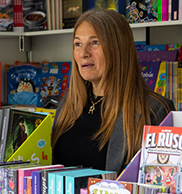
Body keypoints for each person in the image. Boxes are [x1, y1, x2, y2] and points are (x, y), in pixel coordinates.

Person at [52, 9, 174, 172]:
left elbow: (159, 179)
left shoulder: (154, 109)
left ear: (118, 48)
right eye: (78, 44)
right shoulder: (68, 101)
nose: (83, 53)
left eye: (95, 42)